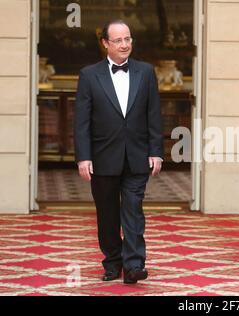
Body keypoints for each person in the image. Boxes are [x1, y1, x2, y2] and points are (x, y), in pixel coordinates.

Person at [74, 20, 164, 284]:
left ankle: (134, 264)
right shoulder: (89, 75)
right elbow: (82, 121)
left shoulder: (146, 72)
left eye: (128, 39)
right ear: (105, 43)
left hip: (137, 156)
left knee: (134, 210)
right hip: (102, 158)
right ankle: (113, 261)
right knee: (107, 213)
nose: (125, 45)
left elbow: (153, 115)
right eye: (118, 40)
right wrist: (84, 157)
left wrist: (156, 151)